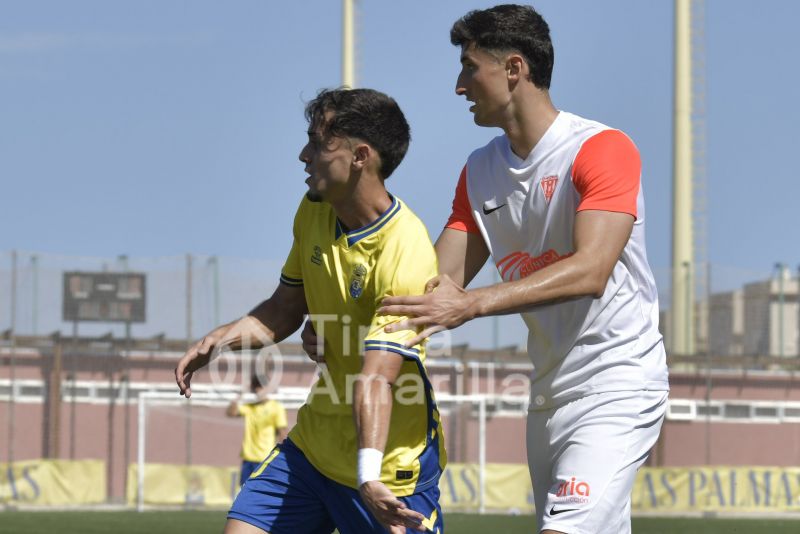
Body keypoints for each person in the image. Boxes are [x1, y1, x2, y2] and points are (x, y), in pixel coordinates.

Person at [375, 5, 670, 534]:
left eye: (469, 68)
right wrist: (353, 329)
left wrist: (474, 304)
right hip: (548, 396)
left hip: (619, 383)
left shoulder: (601, 149)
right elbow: (434, 287)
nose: (459, 86)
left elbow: (591, 270)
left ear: (514, 69)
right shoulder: (481, 169)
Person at [175, 87, 445, 534]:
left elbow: (377, 376)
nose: (304, 155)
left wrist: (368, 475)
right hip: (312, 450)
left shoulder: (406, 250)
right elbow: (285, 308)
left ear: (360, 156)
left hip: (388, 466)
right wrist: (219, 340)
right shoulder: (313, 211)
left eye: (319, 143)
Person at [227, 373, 288, 486]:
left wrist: (283, 459)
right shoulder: (250, 407)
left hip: (265, 459)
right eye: (256, 387)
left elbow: (282, 434)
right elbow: (231, 412)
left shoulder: (276, 408)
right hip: (248, 459)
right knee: (245, 493)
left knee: (264, 493)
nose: (258, 390)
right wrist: (240, 394)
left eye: (261, 386)